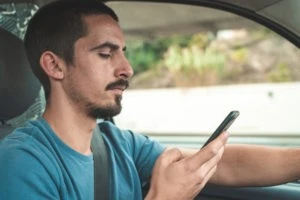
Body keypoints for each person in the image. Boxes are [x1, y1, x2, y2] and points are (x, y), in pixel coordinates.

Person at [0, 0, 300, 199]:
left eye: (123, 52)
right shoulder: (21, 163)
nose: (126, 69)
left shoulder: (118, 144)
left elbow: (218, 165)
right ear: (55, 66)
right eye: (105, 54)